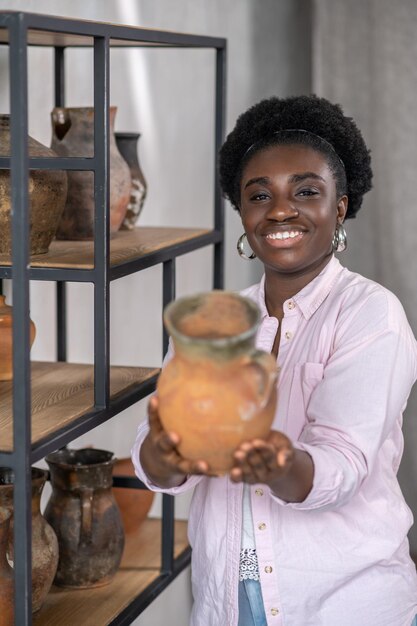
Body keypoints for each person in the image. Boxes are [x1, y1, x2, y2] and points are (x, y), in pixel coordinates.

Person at [131, 95, 417, 626]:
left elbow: (344, 462)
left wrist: (284, 466)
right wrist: (163, 457)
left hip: (344, 601)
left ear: (341, 204)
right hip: (226, 602)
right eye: (259, 194)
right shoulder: (214, 322)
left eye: (306, 191)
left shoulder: (370, 314)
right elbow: (162, 463)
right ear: (242, 212)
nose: (280, 209)